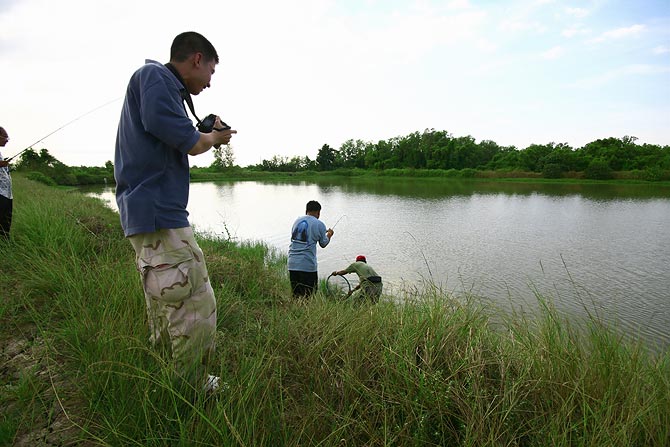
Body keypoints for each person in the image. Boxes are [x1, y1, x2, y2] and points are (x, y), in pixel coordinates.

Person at [114, 31, 236, 393]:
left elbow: (172, 136)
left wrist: (201, 131)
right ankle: (189, 385)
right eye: (211, 72)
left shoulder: (160, 86)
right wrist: (213, 138)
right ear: (196, 59)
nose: (210, 83)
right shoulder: (155, 77)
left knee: (164, 296)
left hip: (147, 211)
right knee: (195, 299)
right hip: (158, 212)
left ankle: (165, 367)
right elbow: (194, 145)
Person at [288, 200, 334, 298]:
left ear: (306, 210)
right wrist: (329, 235)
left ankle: (296, 312)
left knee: (296, 295)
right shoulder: (319, 224)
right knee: (309, 295)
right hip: (307, 265)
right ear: (318, 212)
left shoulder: (297, 221)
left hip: (292, 264)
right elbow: (323, 243)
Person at [0, 127, 12, 240]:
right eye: (5, 137)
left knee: (6, 221)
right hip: (0, 194)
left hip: (6, 194)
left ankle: (5, 243)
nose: (7, 140)